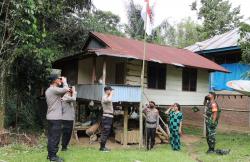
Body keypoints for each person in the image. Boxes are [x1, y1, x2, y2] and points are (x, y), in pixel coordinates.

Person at [45, 75, 69, 162]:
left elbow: (59, 96)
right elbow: (66, 89)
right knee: (55, 137)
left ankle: (50, 155)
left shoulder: (49, 89)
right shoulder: (53, 89)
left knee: (51, 137)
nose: (60, 80)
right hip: (55, 118)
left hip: (51, 117)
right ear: (55, 81)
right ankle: (53, 157)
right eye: (59, 79)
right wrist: (65, 81)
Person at [61, 86, 77, 151]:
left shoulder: (68, 98)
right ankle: (63, 147)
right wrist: (74, 92)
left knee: (69, 133)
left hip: (70, 119)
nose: (71, 92)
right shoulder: (65, 97)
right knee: (66, 133)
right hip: (66, 119)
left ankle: (65, 146)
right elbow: (74, 99)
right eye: (70, 91)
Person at [99, 86, 114, 152]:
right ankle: (102, 148)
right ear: (107, 91)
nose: (111, 92)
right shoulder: (104, 97)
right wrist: (111, 94)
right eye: (110, 90)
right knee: (105, 132)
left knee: (106, 132)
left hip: (109, 117)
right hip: (107, 117)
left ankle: (103, 147)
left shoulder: (107, 97)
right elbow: (109, 100)